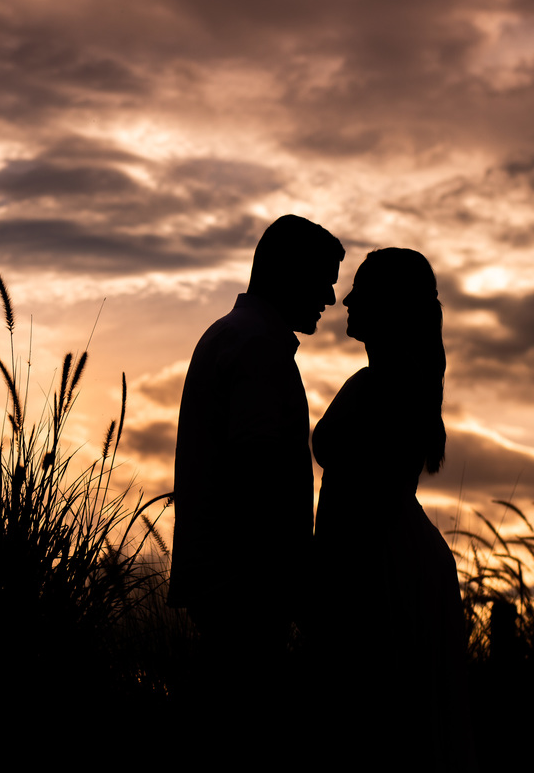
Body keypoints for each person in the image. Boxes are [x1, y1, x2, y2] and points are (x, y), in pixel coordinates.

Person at [168, 214, 343, 753]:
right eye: (322, 280)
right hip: (245, 590)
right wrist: (295, 589)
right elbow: (258, 476)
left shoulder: (233, 336)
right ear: (289, 273)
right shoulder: (258, 348)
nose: (330, 298)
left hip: (230, 585)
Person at [312, 248, 474, 770]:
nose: (346, 300)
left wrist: (329, 577)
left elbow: (367, 497)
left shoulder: (387, 384)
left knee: (381, 722)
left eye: (361, 290)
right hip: (391, 552)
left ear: (388, 304)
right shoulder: (394, 379)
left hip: (381, 561)